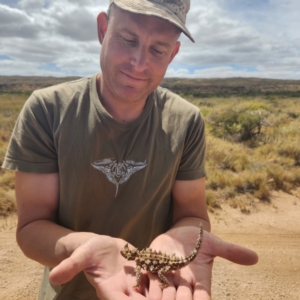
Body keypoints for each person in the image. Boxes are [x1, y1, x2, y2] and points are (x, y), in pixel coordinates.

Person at [2, 0, 258, 299]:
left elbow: (192, 213)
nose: (138, 62)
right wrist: (86, 248)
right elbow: (32, 227)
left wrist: (184, 237)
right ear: (102, 29)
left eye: (158, 49)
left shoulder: (187, 120)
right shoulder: (47, 109)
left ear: (173, 54)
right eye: (127, 39)